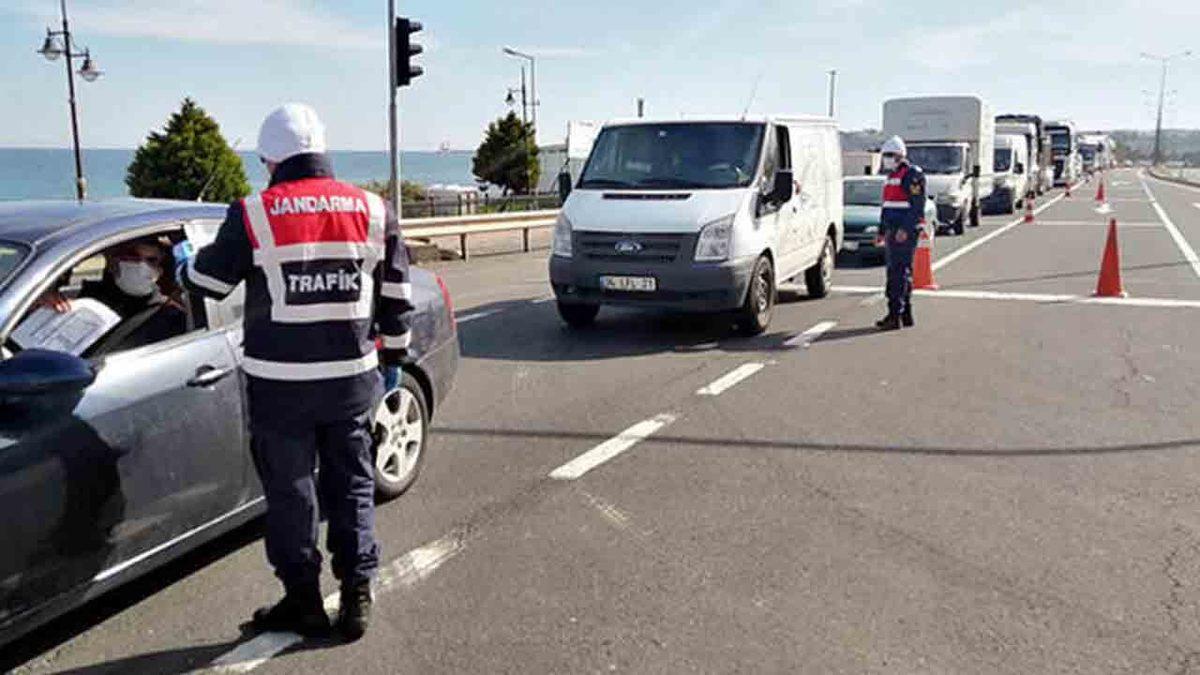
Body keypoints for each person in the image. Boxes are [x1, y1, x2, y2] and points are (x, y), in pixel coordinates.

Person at [176, 103, 414, 641]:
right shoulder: (373, 209)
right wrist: (394, 361)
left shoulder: (253, 212)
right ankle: (357, 596)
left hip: (279, 387)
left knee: (291, 493)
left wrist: (185, 263)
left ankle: (303, 601)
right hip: (351, 382)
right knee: (352, 486)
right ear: (323, 150)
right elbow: (396, 294)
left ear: (269, 159)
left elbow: (210, 284)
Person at [37, 236, 188, 354]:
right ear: (111, 262)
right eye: (132, 256)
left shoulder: (170, 315)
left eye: (151, 260)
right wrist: (41, 306)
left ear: (160, 270)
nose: (141, 265)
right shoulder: (79, 301)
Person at [875, 135, 926, 331]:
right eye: (885, 155)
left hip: (903, 231)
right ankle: (905, 314)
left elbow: (917, 206)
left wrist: (905, 229)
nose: (887, 159)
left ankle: (895, 314)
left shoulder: (911, 174)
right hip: (892, 229)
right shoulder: (891, 176)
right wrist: (882, 230)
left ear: (900, 155)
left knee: (898, 273)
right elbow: (887, 206)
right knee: (898, 272)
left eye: (890, 155)